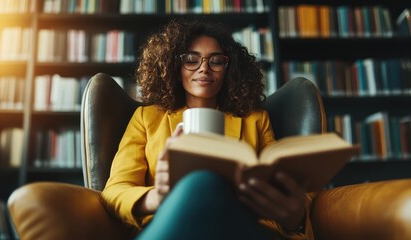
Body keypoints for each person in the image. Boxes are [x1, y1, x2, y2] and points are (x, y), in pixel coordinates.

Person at [101, 19, 315, 240]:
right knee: (200, 184)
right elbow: (115, 191)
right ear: (174, 67)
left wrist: (295, 216)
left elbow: (281, 185)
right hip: (173, 225)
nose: (204, 68)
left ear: (228, 69)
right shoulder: (146, 118)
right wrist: (158, 197)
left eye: (216, 61)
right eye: (191, 60)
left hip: (238, 228)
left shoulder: (255, 120)